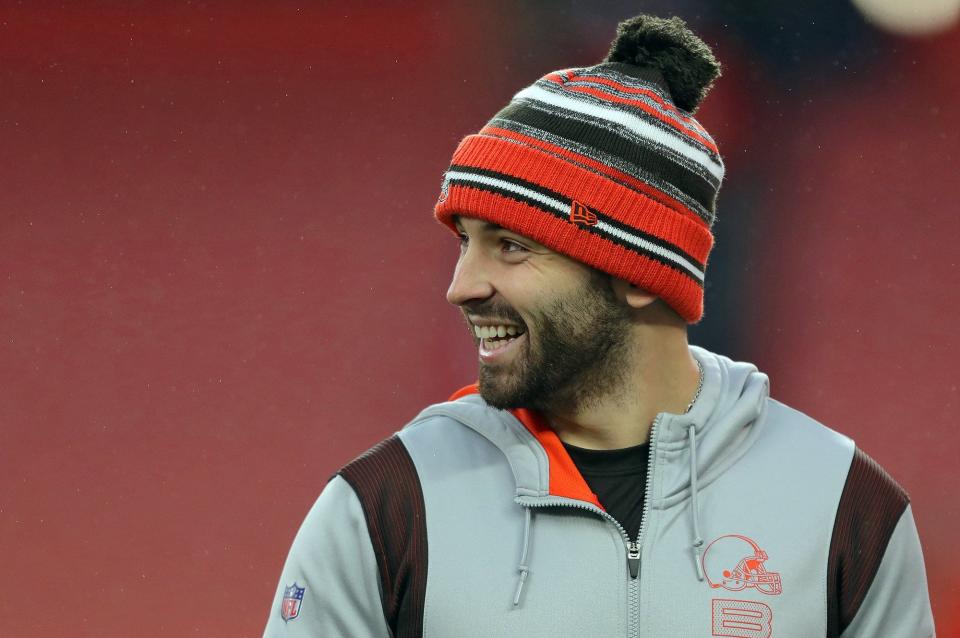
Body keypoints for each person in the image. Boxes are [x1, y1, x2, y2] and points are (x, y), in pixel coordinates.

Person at [263, 14, 935, 638]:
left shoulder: (847, 508)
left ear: (639, 275)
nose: (461, 287)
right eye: (465, 242)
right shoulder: (384, 508)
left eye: (512, 246)